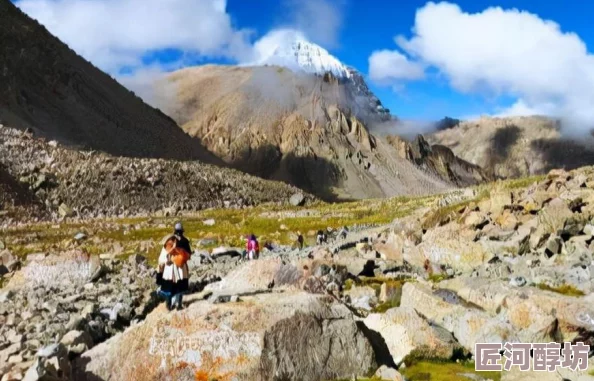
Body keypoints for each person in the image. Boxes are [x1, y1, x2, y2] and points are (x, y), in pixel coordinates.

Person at [156, 223, 191, 311]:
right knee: (180, 287)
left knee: (169, 288)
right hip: (181, 267)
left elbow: (164, 255)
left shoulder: (170, 240)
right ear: (182, 231)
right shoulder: (185, 241)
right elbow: (189, 255)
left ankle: (169, 306)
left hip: (170, 267)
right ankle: (179, 306)